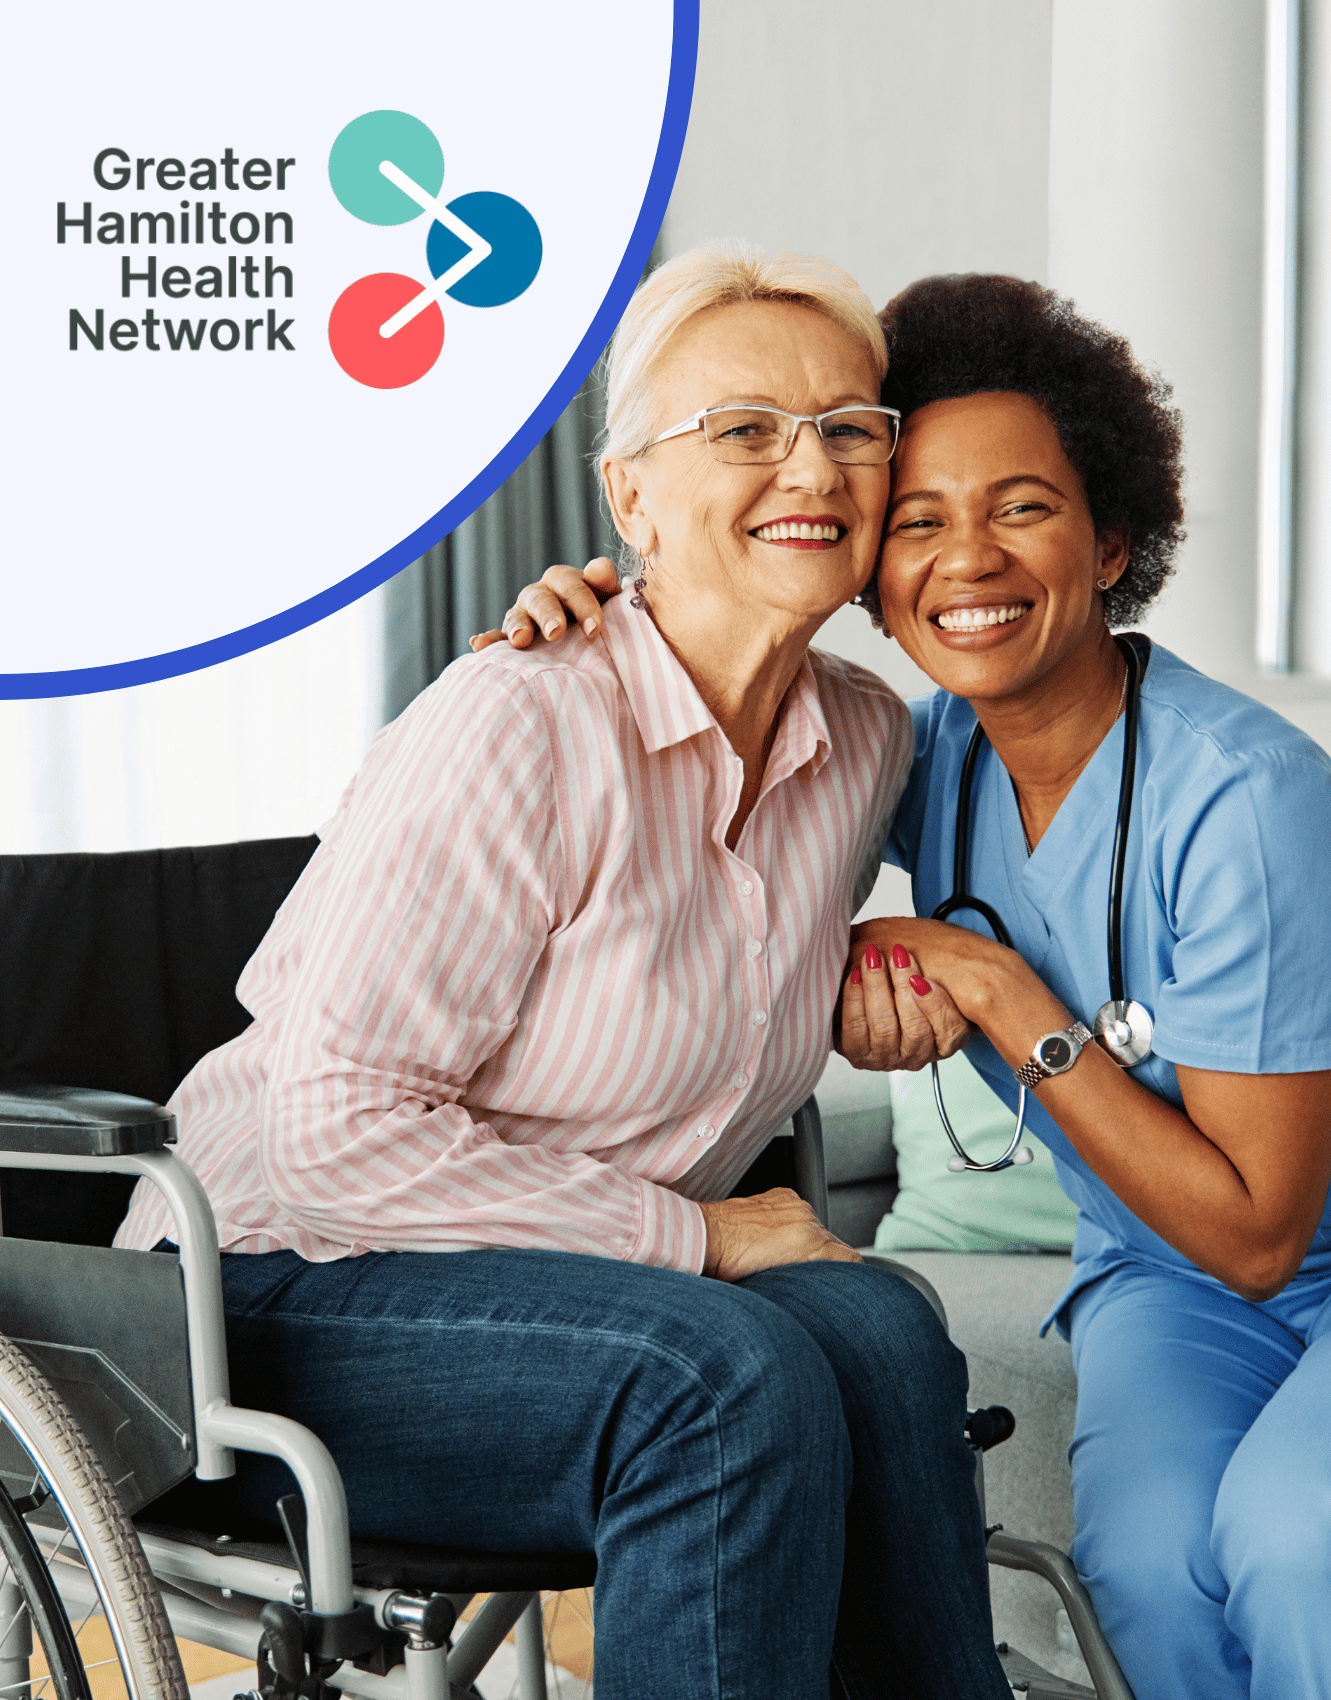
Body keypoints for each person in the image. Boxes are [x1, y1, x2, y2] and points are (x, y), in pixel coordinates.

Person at [116, 244, 1011, 1700]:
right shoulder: (518, 722)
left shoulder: (862, 743)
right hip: (274, 1289)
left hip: (576, 1286)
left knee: (880, 1330)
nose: (816, 466)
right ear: (630, 498)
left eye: (851, 427)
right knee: (723, 1375)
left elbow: (738, 921)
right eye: (744, 431)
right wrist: (700, 1241)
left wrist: (868, 963)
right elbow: (332, 1138)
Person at [492, 271, 1331, 1700]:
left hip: (1264, 1249)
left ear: (1111, 533)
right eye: (919, 521)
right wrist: (603, 613)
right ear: (871, 568)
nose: (969, 561)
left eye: (1022, 507)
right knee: (1142, 1578)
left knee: (1287, 1549)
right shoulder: (908, 754)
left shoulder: (1244, 800)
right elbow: (721, 793)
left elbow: (1258, 1234)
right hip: (1155, 1273)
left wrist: (1001, 994)